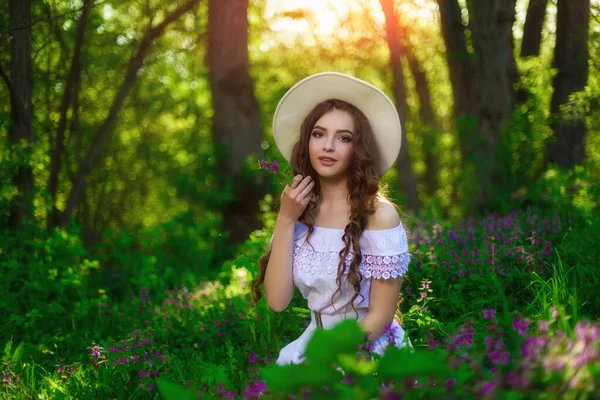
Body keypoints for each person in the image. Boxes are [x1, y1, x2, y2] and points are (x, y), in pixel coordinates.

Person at [250, 72, 412, 365]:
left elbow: (380, 317)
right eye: (319, 134)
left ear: (358, 149)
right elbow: (277, 302)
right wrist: (286, 219)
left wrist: (329, 358)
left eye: (344, 138)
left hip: (366, 349)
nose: (328, 146)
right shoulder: (299, 213)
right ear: (307, 141)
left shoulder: (380, 215)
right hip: (315, 344)